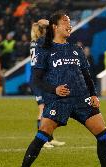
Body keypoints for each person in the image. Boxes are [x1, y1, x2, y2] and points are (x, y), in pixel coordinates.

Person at [12, 11, 106, 167]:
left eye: (70, 22)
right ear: (55, 27)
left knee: (103, 135)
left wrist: (93, 94)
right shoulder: (44, 48)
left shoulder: (76, 49)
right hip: (58, 100)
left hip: (82, 99)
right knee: (42, 136)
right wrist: (54, 89)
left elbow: (87, 76)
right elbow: (35, 79)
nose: (69, 24)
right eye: (65, 21)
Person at [29, 19, 65, 148]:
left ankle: (49, 138)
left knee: (50, 109)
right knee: (43, 109)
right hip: (39, 80)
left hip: (42, 79)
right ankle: (42, 140)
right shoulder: (42, 42)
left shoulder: (36, 41)